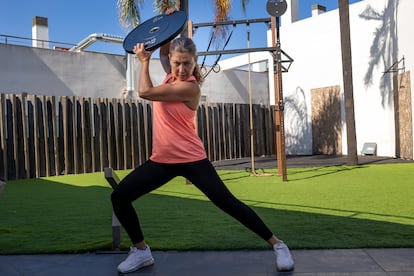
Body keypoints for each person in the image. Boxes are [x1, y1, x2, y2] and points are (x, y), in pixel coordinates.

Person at [111, 9, 294, 274]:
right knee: (120, 197)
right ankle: (141, 251)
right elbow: (163, 52)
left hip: (191, 159)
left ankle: (278, 245)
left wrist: (142, 62)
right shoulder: (171, 75)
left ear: (194, 62)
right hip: (162, 160)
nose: (181, 69)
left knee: (228, 204)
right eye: (177, 63)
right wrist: (167, 24)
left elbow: (144, 91)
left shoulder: (190, 87)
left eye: (187, 63)